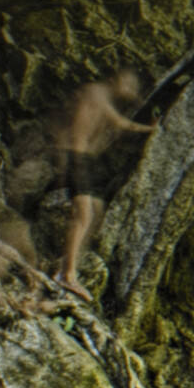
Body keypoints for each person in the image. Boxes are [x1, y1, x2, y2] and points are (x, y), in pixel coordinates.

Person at [49, 72, 154, 295]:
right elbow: (120, 122)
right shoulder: (96, 93)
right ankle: (66, 275)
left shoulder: (99, 95)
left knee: (97, 210)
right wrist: (152, 129)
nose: (131, 91)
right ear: (115, 79)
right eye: (128, 84)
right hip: (75, 158)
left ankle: (67, 263)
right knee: (84, 215)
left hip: (83, 160)